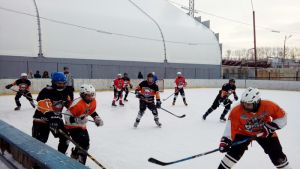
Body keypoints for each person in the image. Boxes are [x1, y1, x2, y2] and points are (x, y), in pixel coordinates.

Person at [218, 87, 291, 169]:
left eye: (248, 104)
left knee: (277, 154)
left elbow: (282, 117)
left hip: (265, 131)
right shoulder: (236, 110)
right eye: (243, 103)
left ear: (257, 102)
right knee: (234, 153)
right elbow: (230, 126)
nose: (245, 106)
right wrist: (225, 140)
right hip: (243, 132)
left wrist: (270, 127)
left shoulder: (268, 105)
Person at [32, 72, 71, 154]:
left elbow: (69, 105)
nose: (62, 85)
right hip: (41, 119)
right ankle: (35, 162)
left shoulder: (66, 91)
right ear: (53, 82)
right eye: (59, 83)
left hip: (56, 119)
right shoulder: (46, 91)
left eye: (63, 83)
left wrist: (77, 113)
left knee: (66, 138)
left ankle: (61, 156)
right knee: (39, 142)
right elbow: (43, 106)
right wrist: (52, 116)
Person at [64, 84, 103, 165]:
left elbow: (91, 111)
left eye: (92, 95)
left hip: (82, 126)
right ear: (82, 95)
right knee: (83, 144)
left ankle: (75, 155)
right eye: (88, 95)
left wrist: (96, 117)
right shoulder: (77, 104)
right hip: (72, 126)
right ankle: (80, 163)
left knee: (86, 144)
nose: (91, 97)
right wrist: (77, 120)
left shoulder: (93, 101)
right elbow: (67, 117)